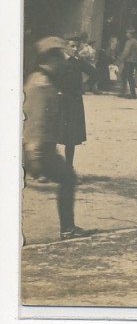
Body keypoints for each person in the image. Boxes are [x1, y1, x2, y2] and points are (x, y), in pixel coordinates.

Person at [23, 37, 93, 240]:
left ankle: (68, 228)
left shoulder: (42, 80)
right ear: (50, 60)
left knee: (68, 178)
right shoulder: (41, 85)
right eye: (59, 58)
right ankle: (68, 229)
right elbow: (35, 121)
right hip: (37, 148)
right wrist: (34, 155)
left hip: (38, 147)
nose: (63, 62)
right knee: (68, 178)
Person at [57, 36, 92, 170]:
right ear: (65, 47)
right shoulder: (59, 62)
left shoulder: (78, 63)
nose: (75, 49)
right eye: (72, 46)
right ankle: (48, 167)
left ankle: (68, 166)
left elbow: (94, 72)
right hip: (59, 100)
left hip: (74, 102)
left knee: (70, 138)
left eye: (77, 46)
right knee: (52, 134)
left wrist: (85, 86)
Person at [117, 27, 137, 98]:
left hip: (129, 61)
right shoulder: (136, 41)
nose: (126, 34)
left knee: (127, 76)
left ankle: (131, 93)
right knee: (127, 76)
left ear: (131, 34)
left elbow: (126, 52)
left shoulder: (129, 42)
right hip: (134, 61)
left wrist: (120, 59)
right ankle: (126, 92)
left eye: (127, 33)